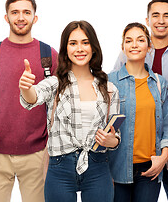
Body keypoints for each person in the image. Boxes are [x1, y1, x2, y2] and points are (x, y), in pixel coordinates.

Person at [19, 20, 120, 202]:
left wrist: (112, 141)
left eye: (85, 42)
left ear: (94, 47)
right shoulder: (55, 84)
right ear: (66, 49)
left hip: (97, 166)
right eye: (73, 43)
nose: (79, 48)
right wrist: (26, 88)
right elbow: (33, 97)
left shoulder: (109, 88)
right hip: (60, 167)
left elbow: (115, 135)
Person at [0, 0, 58, 202]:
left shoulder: (49, 55)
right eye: (15, 12)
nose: (21, 17)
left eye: (26, 12)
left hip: (38, 152)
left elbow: (59, 104)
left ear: (35, 18)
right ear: (6, 17)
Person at [113, 0, 168, 202]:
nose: (161, 20)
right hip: (120, 161)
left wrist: (165, 155)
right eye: (155, 15)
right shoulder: (112, 78)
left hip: (162, 154)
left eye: (166, 15)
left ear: (148, 46)